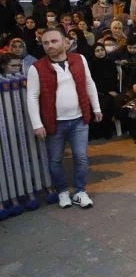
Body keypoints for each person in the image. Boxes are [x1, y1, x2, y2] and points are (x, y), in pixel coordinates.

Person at [26, 28, 101, 209]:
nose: (50, 45)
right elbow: (32, 97)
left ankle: (80, 191)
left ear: (64, 42)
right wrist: (37, 123)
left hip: (78, 119)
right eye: (46, 43)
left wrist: (96, 107)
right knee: (55, 160)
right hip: (54, 122)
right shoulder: (36, 68)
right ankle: (62, 191)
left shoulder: (79, 59)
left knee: (81, 157)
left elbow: (89, 83)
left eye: (54, 41)